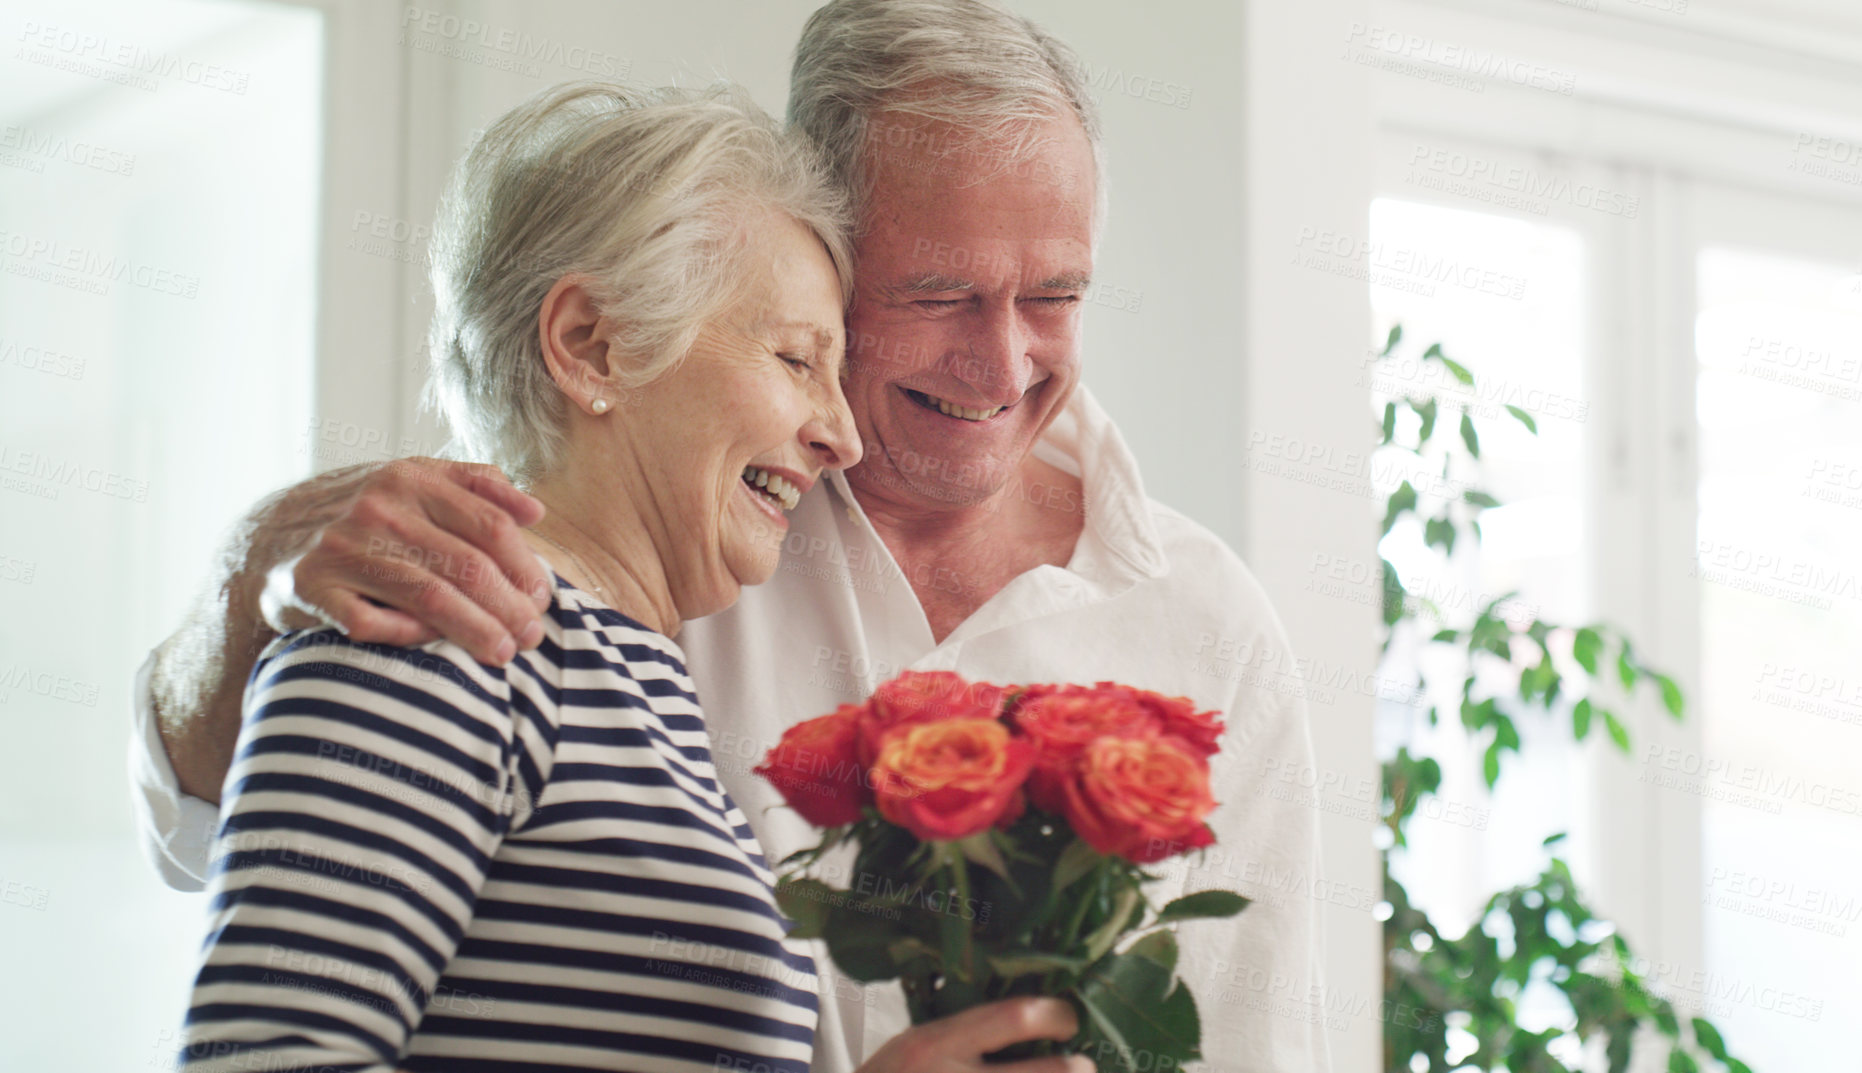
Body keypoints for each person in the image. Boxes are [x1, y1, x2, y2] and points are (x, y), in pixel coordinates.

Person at [136, 2, 1332, 1070]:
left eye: (1053, 295)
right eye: (933, 295)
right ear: (827, 262)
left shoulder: (1207, 621)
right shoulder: (489, 577)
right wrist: (251, 575)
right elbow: (239, 894)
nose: (1003, 358)